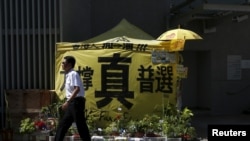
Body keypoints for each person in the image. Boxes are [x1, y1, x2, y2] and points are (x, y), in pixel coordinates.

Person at [55, 56, 91, 141]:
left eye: (64, 63)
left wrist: (67, 102)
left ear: (70, 64)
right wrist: (69, 102)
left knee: (81, 125)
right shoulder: (68, 74)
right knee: (63, 125)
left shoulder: (73, 74)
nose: (62, 64)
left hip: (76, 102)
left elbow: (77, 89)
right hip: (72, 103)